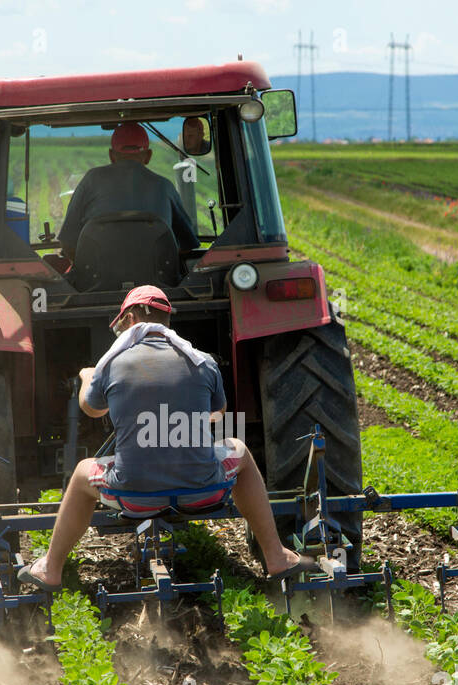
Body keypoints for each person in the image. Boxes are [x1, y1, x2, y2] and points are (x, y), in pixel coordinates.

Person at [18, 285, 317, 591]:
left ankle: (50, 568)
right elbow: (218, 412)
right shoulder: (202, 361)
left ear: (131, 318)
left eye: (121, 325)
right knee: (238, 448)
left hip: (134, 497)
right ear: (166, 321)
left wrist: (86, 376)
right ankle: (276, 556)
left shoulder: (111, 364)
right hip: (203, 492)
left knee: (83, 470)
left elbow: (91, 409)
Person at [56, 122, 200, 262]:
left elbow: (68, 243)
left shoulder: (91, 180)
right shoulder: (165, 186)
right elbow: (187, 244)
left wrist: (85, 270)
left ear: (112, 155)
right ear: (148, 155)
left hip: (97, 284)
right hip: (158, 284)